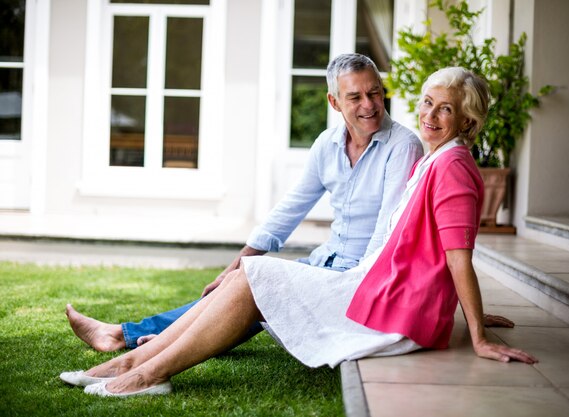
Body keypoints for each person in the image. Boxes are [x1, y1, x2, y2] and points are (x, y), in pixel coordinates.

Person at [60, 66, 536, 397]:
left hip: (385, 304)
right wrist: (457, 304)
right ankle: (132, 364)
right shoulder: (436, 159)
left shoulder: (448, 165)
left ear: (467, 121)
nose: (430, 116)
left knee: (253, 277)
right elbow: (428, 253)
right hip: (379, 289)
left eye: (445, 110)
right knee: (249, 273)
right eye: (427, 103)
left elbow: (457, 256)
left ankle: (143, 369)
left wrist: (476, 333)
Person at [65, 53, 425, 352]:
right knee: (238, 286)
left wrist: (351, 289)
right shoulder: (327, 144)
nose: (369, 105)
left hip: (359, 277)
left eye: (374, 93)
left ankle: (137, 338)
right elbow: (288, 211)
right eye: (355, 97)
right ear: (334, 102)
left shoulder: (402, 146)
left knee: (256, 288)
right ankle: (131, 335)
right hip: (324, 262)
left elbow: (386, 235)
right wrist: (233, 268)